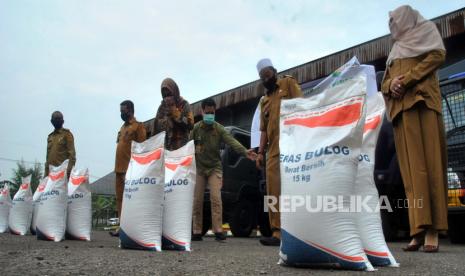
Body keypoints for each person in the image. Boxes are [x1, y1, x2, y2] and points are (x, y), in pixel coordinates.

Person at [381, 5, 448, 253]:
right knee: (410, 174)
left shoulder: (426, 31)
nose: (392, 27)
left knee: (429, 166)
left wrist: (406, 80)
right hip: (401, 113)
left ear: (406, 18)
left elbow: (437, 55)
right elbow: (385, 82)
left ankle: (434, 229)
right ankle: (417, 230)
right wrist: (391, 85)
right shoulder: (396, 49)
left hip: (423, 105)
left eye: (394, 21)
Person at [191, 98, 257, 242]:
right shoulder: (196, 129)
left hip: (215, 167)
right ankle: (196, 231)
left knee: (216, 198)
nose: (210, 115)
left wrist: (246, 152)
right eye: (207, 112)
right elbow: (189, 147)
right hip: (200, 168)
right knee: (197, 200)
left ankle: (218, 230)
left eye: (212, 113)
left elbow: (232, 142)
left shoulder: (219, 128)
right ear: (202, 112)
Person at [255, 58, 303, 246]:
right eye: (262, 77)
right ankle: (277, 232)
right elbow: (264, 130)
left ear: (274, 71)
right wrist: (260, 152)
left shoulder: (288, 83)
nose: (265, 78)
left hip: (293, 144)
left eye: (267, 74)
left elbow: (302, 107)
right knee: (273, 190)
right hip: (273, 150)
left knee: (294, 188)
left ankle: (297, 230)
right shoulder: (264, 101)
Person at [111, 100, 147, 237]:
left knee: (130, 199)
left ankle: (131, 228)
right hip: (118, 169)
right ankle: (121, 227)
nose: (121, 113)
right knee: (120, 200)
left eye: (123, 110)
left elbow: (142, 148)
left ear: (131, 110)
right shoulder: (122, 127)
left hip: (130, 170)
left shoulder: (138, 127)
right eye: (120, 111)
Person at [153, 78, 194, 150]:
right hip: (167, 151)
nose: (167, 98)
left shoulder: (184, 104)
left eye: (169, 94)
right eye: (165, 95)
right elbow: (155, 131)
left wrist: (176, 114)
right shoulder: (161, 108)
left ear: (174, 91)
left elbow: (191, 124)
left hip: (182, 149)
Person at [45, 111, 76, 179]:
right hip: (51, 175)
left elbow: (72, 155)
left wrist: (68, 172)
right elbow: (47, 158)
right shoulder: (50, 137)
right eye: (55, 119)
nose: (57, 121)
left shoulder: (67, 134)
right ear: (51, 121)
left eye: (59, 119)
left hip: (62, 174)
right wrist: (45, 176)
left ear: (63, 121)